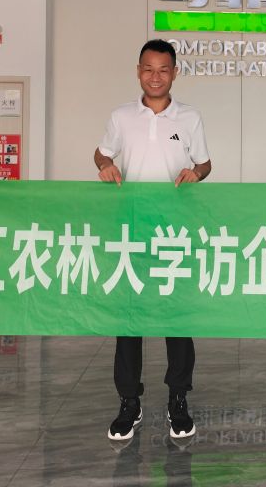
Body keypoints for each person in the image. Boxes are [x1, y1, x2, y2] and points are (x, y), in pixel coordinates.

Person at [93, 39, 212, 442]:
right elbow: (102, 153)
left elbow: (204, 164)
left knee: (177, 318)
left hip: (176, 232)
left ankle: (178, 398)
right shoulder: (122, 116)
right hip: (131, 231)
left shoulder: (190, 117)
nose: (155, 76)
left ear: (175, 72)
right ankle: (129, 401)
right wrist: (106, 165)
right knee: (129, 320)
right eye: (148, 68)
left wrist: (197, 174)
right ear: (138, 71)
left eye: (163, 69)